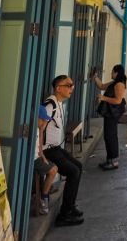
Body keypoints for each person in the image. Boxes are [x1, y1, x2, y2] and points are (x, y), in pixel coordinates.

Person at [42, 75, 84, 227]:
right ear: (58, 88)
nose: (72, 88)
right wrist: (40, 153)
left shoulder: (59, 103)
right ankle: (64, 214)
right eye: (68, 85)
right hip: (48, 150)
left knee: (78, 166)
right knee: (73, 172)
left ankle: (70, 206)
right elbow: (39, 130)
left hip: (56, 148)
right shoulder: (50, 106)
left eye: (72, 85)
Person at [93, 64, 127, 170]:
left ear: (117, 73)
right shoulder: (114, 83)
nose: (111, 73)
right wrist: (95, 77)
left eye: (112, 71)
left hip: (113, 113)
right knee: (108, 136)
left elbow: (118, 100)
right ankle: (110, 159)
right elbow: (101, 86)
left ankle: (114, 161)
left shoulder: (119, 84)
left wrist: (103, 98)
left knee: (111, 136)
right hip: (110, 113)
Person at [35, 104, 59, 215]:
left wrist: (43, 158)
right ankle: (43, 199)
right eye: (42, 120)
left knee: (54, 168)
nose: (44, 122)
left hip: (38, 157)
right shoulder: (32, 129)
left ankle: (44, 196)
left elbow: (40, 148)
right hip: (34, 160)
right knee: (53, 170)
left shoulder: (38, 130)